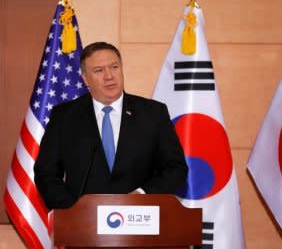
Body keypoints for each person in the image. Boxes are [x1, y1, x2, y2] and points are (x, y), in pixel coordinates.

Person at [34, 41, 187, 210]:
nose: (109, 76)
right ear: (85, 78)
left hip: (141, 219)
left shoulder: (153, 113)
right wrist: (72, 210)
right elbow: (46, 173)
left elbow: (175, 169)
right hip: (82, 224)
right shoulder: (65, 116)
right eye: (99, 70)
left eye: (114, 67)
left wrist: (142, 195)